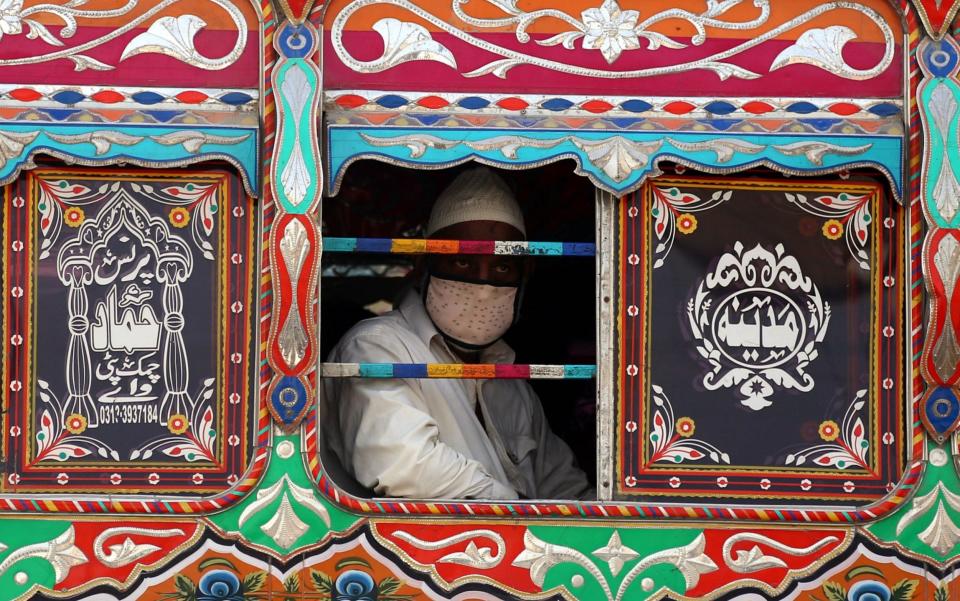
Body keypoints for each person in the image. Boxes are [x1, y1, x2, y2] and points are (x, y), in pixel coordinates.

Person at [320, 167, 592, 500]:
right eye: (463, 262)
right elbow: (406, 467)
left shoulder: (512, 383)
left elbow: (563, 488)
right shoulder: (377, 347)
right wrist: (522, 512)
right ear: (424, 264)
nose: (482, 285)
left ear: (524, 277)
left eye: (502, 267)